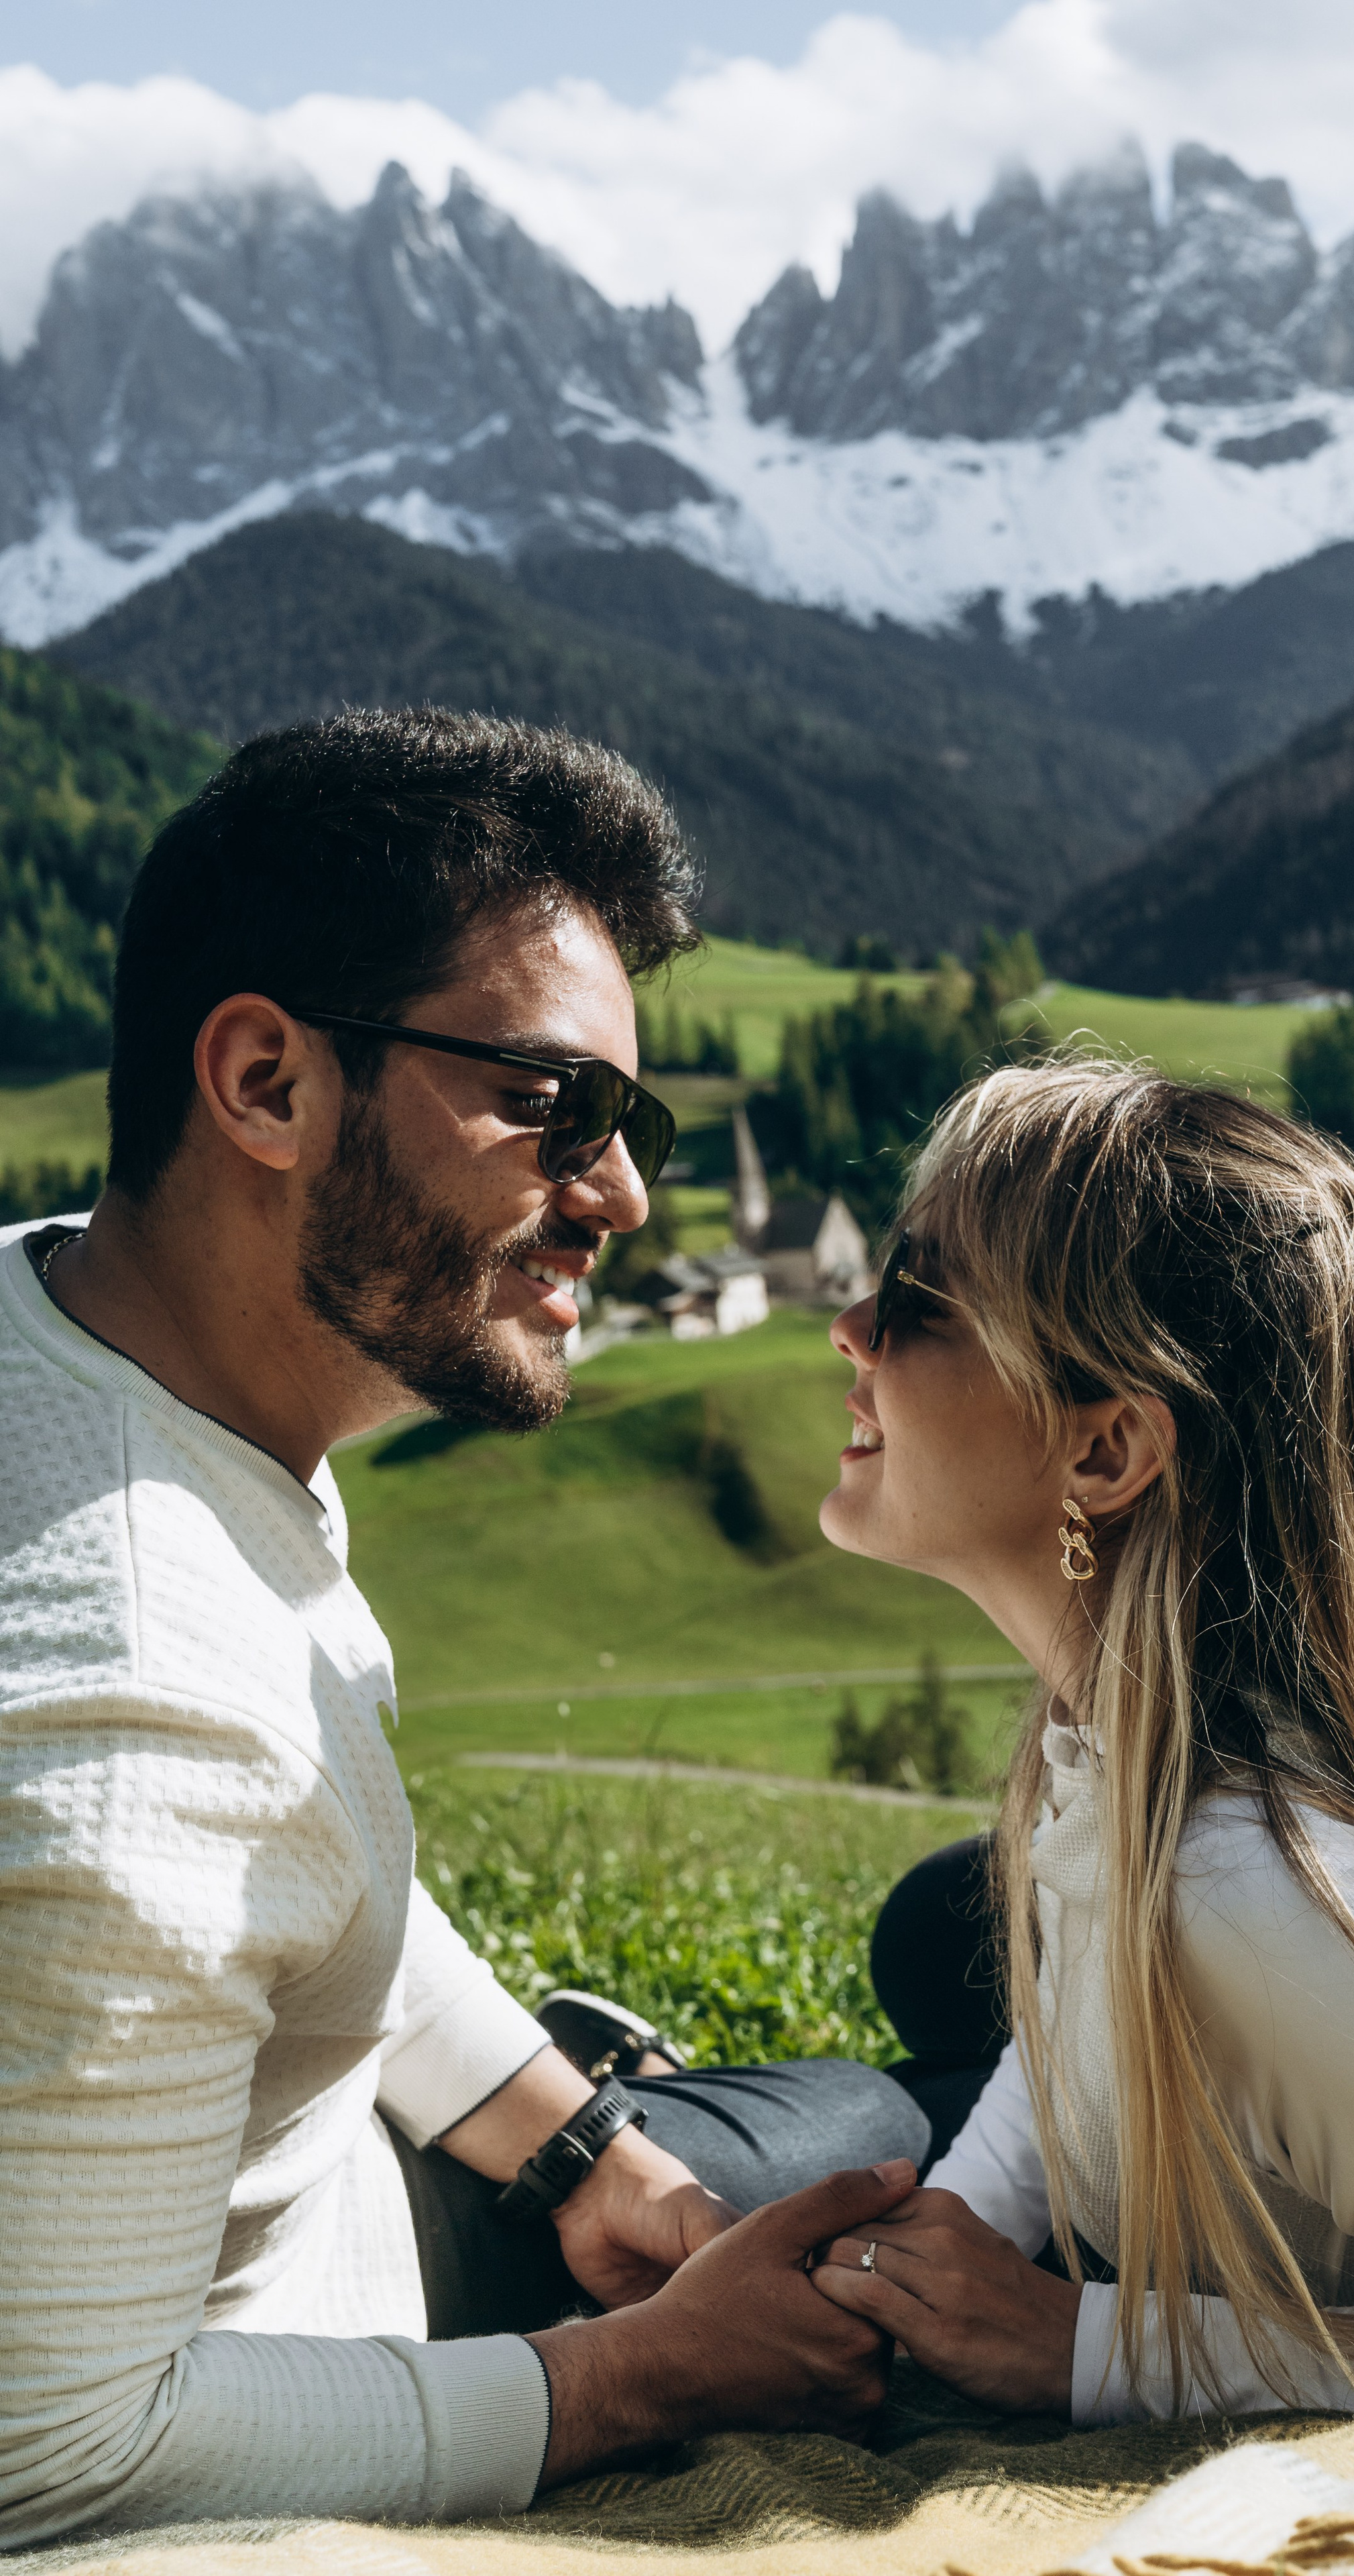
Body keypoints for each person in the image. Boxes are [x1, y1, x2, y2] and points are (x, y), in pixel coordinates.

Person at [0, 710, 930, 2551]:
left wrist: (577, 2145)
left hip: (343, 2171)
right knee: (881, 2154)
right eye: (550, 1103)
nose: (624, 1194)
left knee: (840, 2126)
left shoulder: (94, 1336)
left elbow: (297, 1861)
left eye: (631, 1122)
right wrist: (645, 2377)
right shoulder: (134, 1711)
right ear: (265, 1082)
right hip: (309, 2382)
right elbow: (58, 2453)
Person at [809, 1061, 1354, 2438]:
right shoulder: (1136, 1738)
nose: (849, 1329)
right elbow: (1070, 2023)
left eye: (919, 1300)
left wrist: (1087, 2347)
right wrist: (948, 2233)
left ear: (1106, 1451)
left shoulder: (1257, 1907)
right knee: (936, 1935)